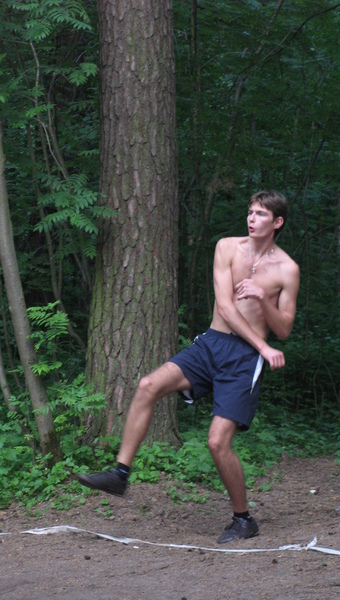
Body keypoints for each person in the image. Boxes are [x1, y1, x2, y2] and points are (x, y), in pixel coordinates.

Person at [78, 190, 300, 544]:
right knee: (148, 385)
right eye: (250, 211)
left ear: (277, 222)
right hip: (212, 343)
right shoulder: (227, 248)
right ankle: (120, 474)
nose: (251, 218)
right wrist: (264, 346)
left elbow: (284, 328)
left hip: (244, 360)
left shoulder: (287, 269)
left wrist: (262, 298)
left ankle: (243, 519)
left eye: (260, 214)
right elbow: (225, 307)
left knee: (217, 442)